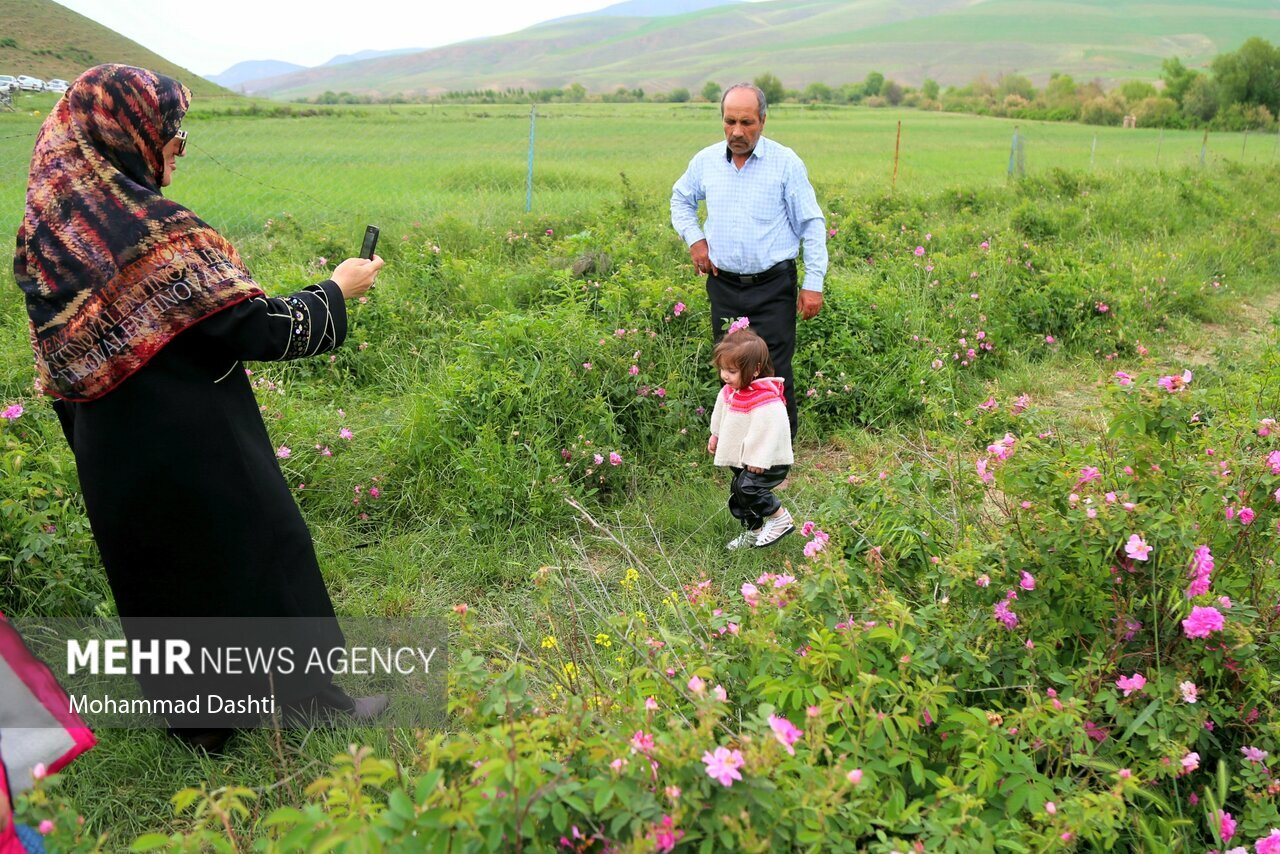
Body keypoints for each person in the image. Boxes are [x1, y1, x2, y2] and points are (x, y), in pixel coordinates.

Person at [12, 65, 386, 752]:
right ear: (127, 132)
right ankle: (310, 702)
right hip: (199, 439)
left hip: (111, 448)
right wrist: (337, 289)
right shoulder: (156, 233)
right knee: (264, 550)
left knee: (161, 576)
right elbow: (256, 328)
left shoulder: (46, 233)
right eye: (171, 132)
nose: (178, 147)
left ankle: (203, 732)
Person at [671, 82, 828, 439]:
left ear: (763, 120)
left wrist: (813, 283)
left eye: (747, 122)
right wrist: (696, 240)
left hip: (773, 286)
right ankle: (737, 449)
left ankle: (775, 459)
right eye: (730, 122)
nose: (737, 132)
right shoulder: (706, 161)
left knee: (773, 371)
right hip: (724, 285)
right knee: (732, 367)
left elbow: (812, 224)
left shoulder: (785, 163)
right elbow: (680, 199)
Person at [707, 326, 795, 549]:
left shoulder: (766, 399)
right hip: (745, 458)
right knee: (739, 491)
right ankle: (754, 531)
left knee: (748, 488)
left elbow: (770, 432)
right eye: (723, 369)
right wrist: (715, 435)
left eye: (732, 371)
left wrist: (759, 459)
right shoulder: (730, 390)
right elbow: (722, 413)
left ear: (755, 370)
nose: (725, 375)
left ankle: (779, 518)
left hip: (768, 460)